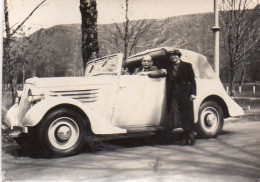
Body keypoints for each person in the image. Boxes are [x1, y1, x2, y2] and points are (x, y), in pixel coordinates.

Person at [165, 49, 197, 145]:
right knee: (179, 117)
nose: (173, 57)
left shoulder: (187, 65)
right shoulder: (169, 67)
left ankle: (190, 137)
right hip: (174, 93)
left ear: (179, 56)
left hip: (185, 92)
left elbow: (192, 80)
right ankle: (184, 138)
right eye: (171, 56)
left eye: (175, 55)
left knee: (187, 115)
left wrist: (193, 93)